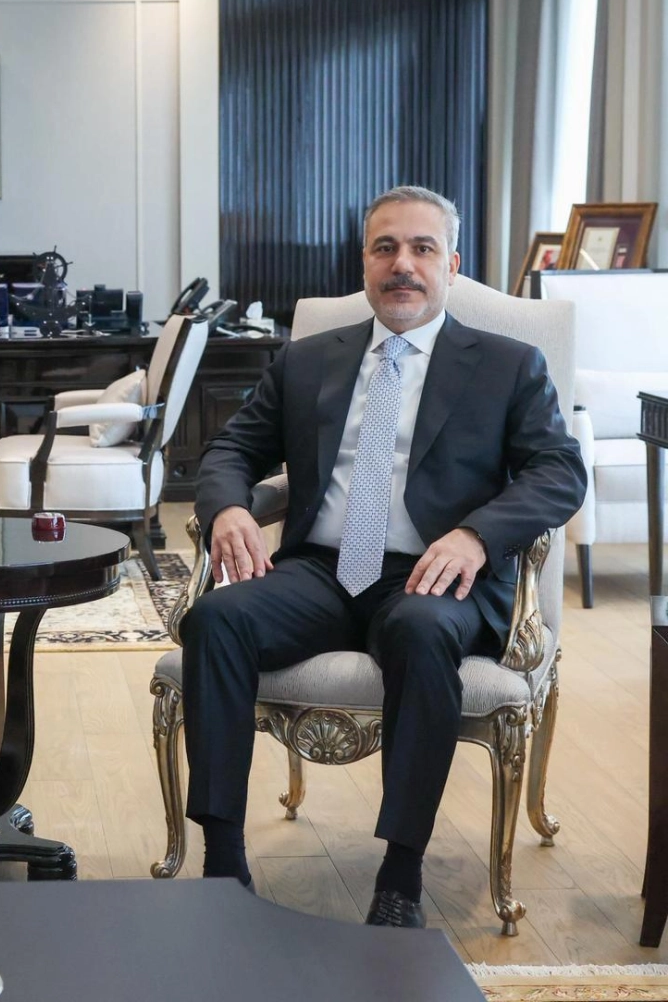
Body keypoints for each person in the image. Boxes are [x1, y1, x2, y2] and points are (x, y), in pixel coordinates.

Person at [181, 185, 586, 928]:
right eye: (385, 248)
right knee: (215, 619)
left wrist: (476, 535)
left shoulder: (507, 365)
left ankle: (400, 875)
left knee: (421, 632)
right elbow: (232, 449)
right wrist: (229, 508)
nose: (403, 264)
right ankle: (222, 859)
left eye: (422, 248)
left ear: (451, 265)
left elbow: (559, 471)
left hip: (434, 575)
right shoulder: (307, 361)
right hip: (320, 570)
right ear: (365, 262)